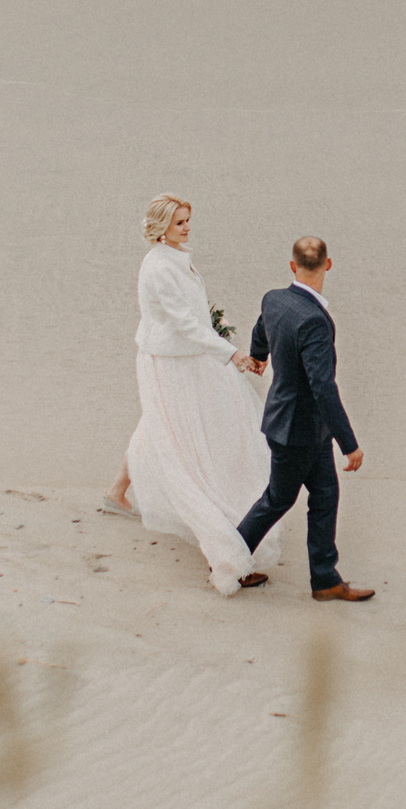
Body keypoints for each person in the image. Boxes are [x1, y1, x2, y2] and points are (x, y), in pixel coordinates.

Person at [103, 195, 281, 595]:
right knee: (183, 448)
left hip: (188, 357)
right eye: (179, 222)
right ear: (161, 226)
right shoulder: (157, 268)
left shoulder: (175, 256)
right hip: (171, 363)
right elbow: (184, 324)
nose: (187, 227)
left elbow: (193, 319)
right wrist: (231, 353)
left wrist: (215, 340)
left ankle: (116, 492)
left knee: (159, 425)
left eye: (188, 220)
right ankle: (223, 554)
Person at [237, 235, 372, 602]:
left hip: (298, 425)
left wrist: (259, 354)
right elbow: (323, 387)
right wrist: (350, 444)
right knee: (277, 499)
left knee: (325, 494)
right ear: (328, 265)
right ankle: (228, 561)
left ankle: (325, 579)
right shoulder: (314, 321)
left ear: (292, 266)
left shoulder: (274, 299)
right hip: (297, 431)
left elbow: (261, 328)